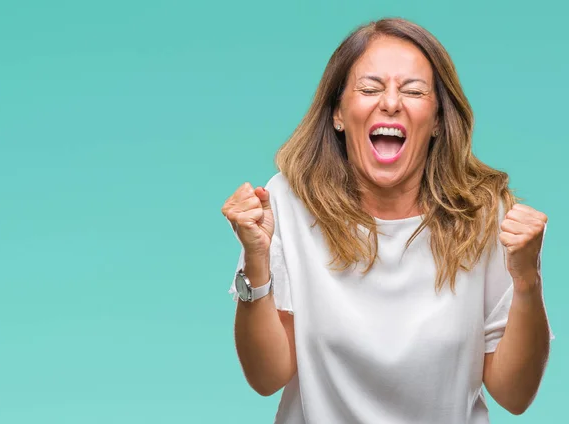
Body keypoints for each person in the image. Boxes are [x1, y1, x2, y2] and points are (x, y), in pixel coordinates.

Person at [221, 18, 553, 424]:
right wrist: (256, 262)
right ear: (338, 114)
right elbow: (266, 376)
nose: (391, 102)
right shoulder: (288, 203)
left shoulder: (484, 214)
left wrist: (527, 281)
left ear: (436, 122)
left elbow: (515, 395)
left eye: (413, 91)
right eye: (369, 88)